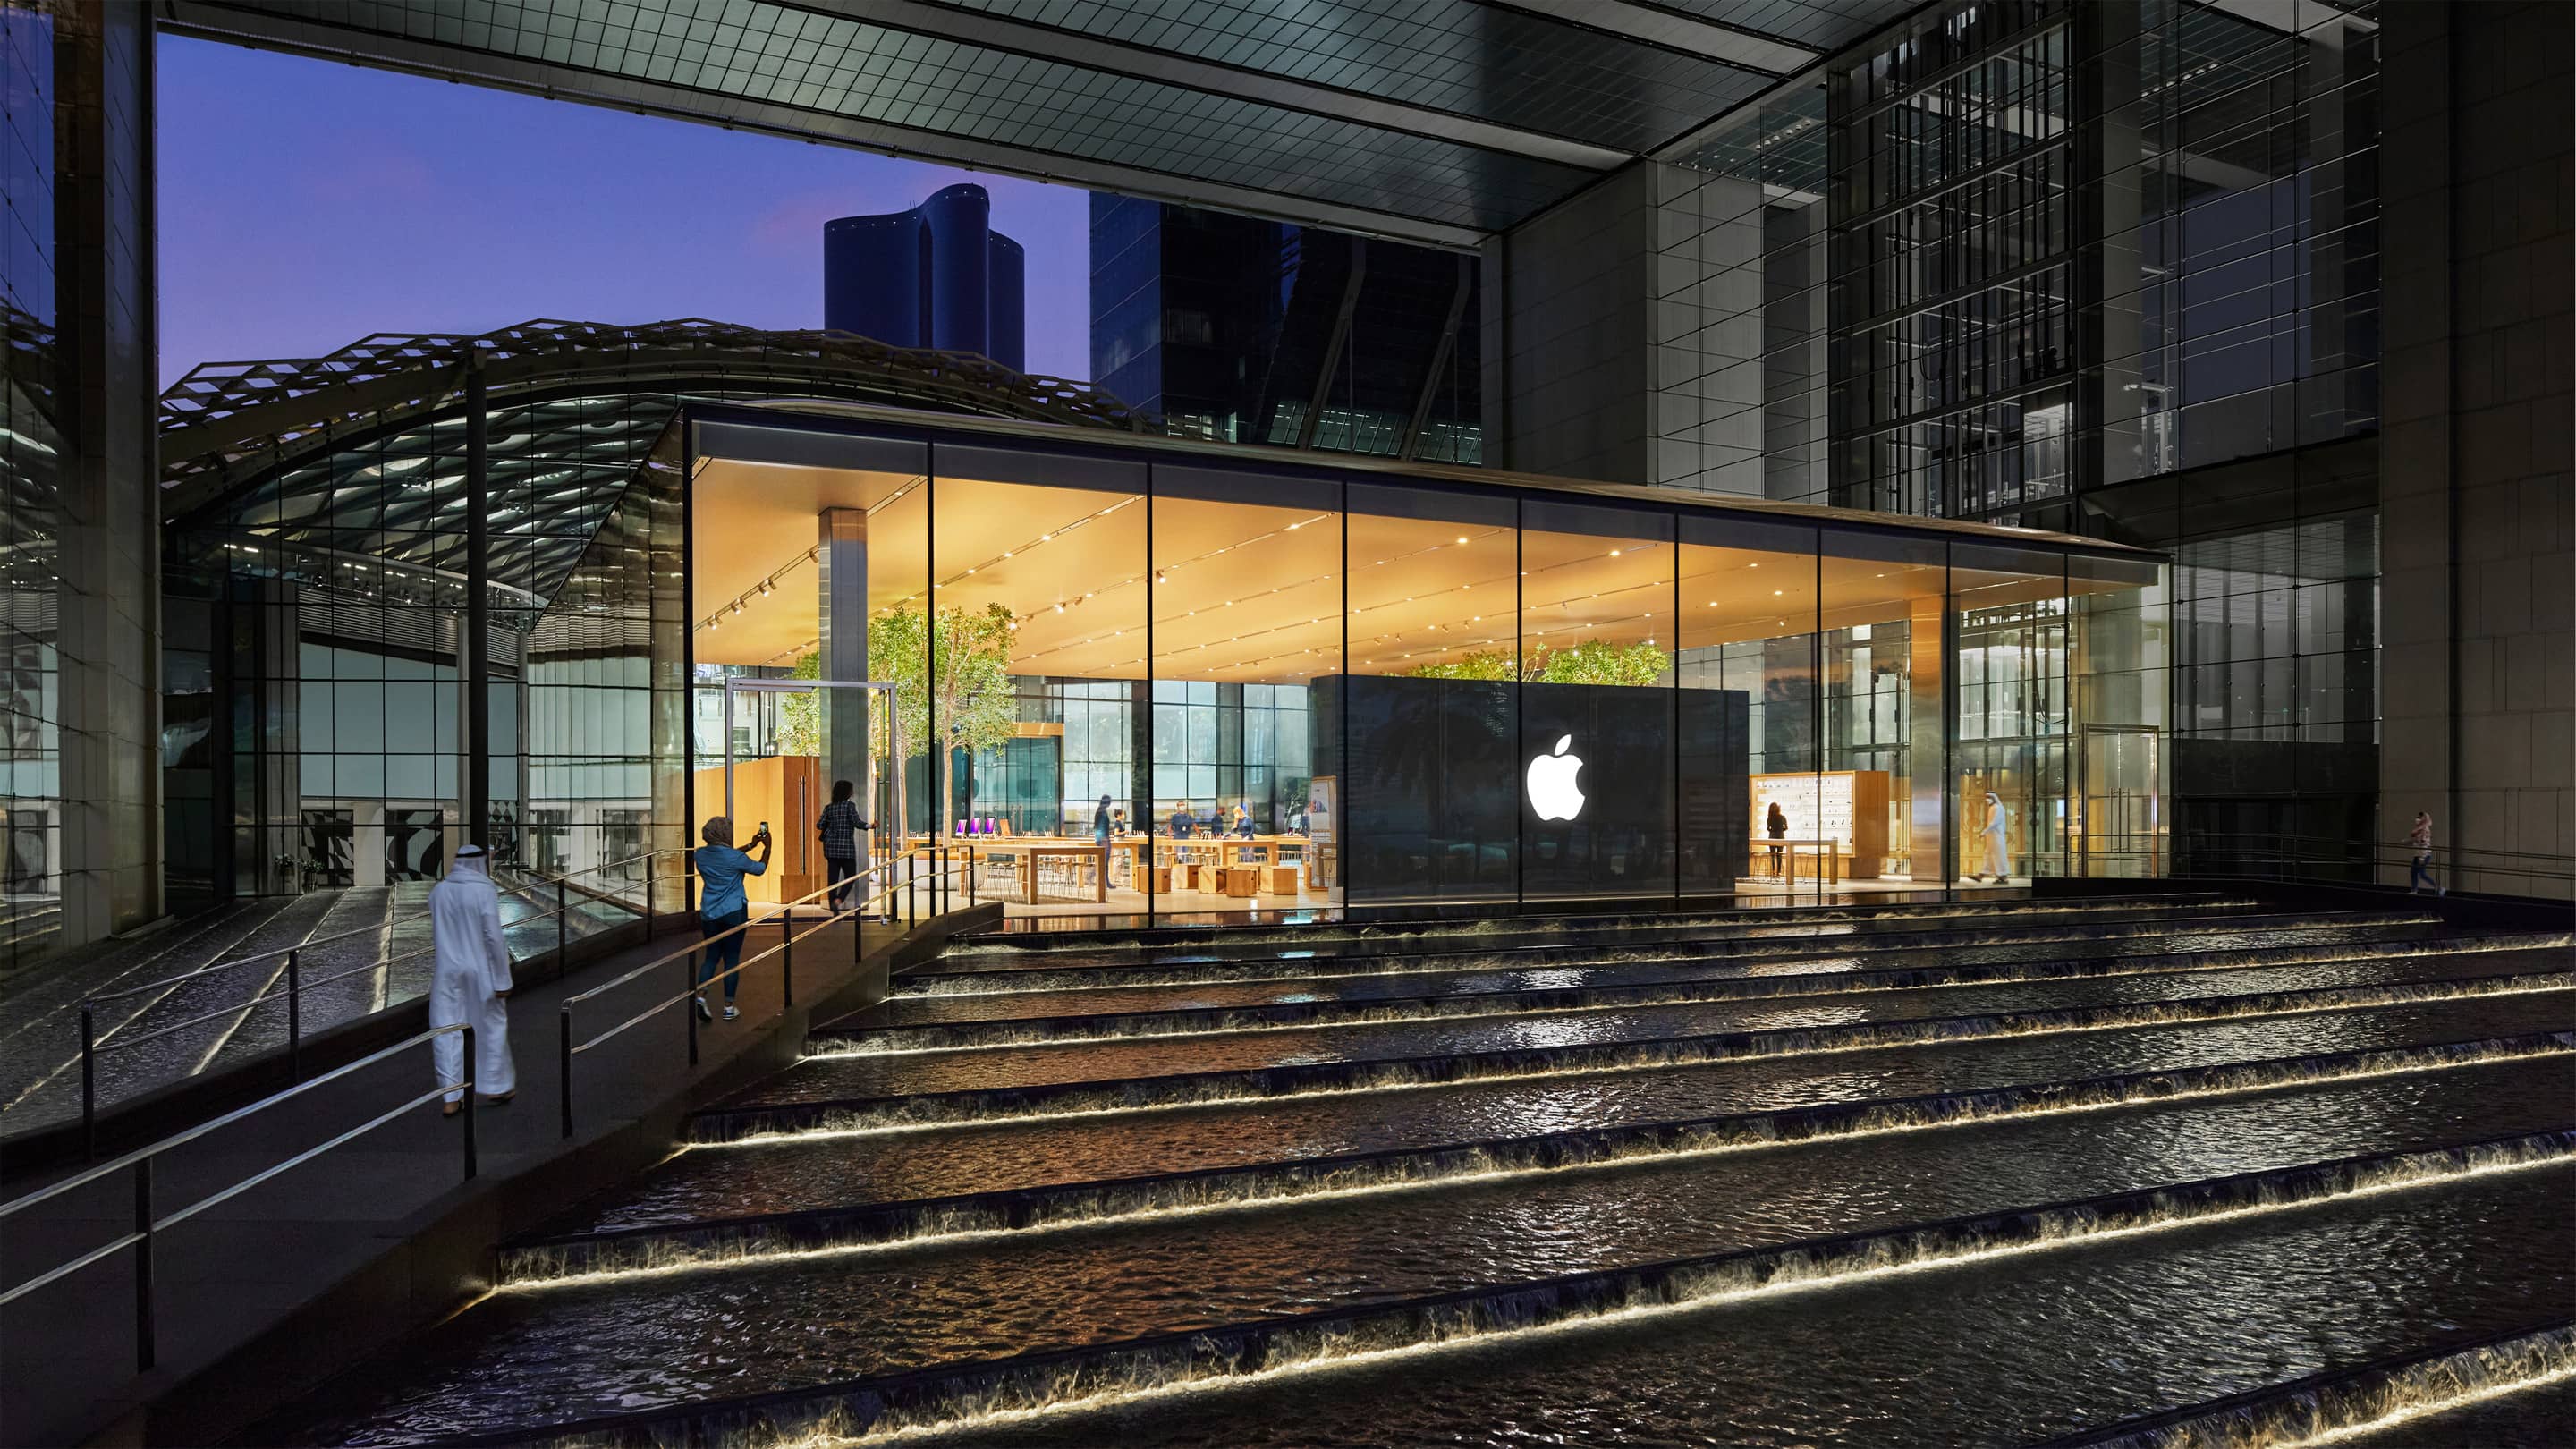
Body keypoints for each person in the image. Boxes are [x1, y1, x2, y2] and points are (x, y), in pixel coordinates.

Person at [428, 843, 513, 1114]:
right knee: (491, 1027)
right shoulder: (484, 890)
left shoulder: (438, 892)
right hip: (480, 971)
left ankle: (451, 1098)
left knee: (446, 1032)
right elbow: (493, 937)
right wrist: (503, 980)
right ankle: (495, 1085)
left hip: (446, 972)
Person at [694, 815, 769, 1022]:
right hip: (734, 911)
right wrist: (766, 848)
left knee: (711, 956)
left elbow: (727, 857)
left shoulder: (699, 855)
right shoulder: (735, 858)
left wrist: (750, 845)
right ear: (725, 833)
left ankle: (700, 996)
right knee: (732, 958)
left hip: (709, 912)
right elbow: (759, 869)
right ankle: (728, 1007)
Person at [816, 780, 871, 912]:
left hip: (831, 849)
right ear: (847, 792)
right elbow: (857, 822)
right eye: (851, 790)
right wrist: (870, 826)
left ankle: (833, 909)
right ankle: (839, 900)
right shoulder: (849, 806)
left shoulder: (829, 808)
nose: (852, 792)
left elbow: (819, 825)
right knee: (851, 876)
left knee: (833, 879)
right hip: (846, 849)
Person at [1976, 792, 2012, 885]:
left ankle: (2003, 877)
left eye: (1988, 797)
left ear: (1993, 797)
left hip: (1997, 836)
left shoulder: (1997, 807)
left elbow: (1994, 823)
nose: (1986, 799)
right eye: (1986, 797)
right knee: (1988, 855)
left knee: (1998, 856)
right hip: (1992, 837)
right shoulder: (1992, 807)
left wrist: (1984, 832)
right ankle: (1981, 875)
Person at [2408, 811, 2444, 896]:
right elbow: (2417, 841)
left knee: (2422, 874)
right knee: (2413, 872)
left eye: (2419, 818)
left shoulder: (2424, 830)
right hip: (2418, 854)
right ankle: (2414, 891)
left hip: (2424, 855)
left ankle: (2439, 888)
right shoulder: (2419, 830)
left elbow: (2424, 844)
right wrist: (2407, 842)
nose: (2417, 820)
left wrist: (2422, 857)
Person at [1765, 801, 1788, 879]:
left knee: (1772, 855)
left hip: (1772, 837)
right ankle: (1779, 872)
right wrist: (1781, 830)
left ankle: (1773, 872)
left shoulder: (1770, 818)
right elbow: (1786, 828)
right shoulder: (1782, 817)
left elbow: (1768, 828)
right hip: (1781, 837)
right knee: (1779, 855)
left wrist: (1773, 830)